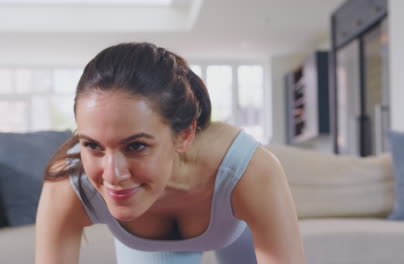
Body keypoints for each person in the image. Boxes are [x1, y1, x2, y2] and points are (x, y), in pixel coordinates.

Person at [35, 42, 305, 264]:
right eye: (92, 145)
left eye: (136, 146)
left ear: (185, 136)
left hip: (237, 228)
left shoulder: (249, 170)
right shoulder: (68, 182)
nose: (113, 175)